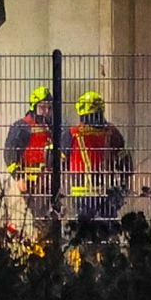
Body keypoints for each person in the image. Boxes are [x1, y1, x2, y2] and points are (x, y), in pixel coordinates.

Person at [62, 91, 132, 235]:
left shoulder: (72, 134)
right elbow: (125, 163)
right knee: (106, 232)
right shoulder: (112, 133)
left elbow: (59, 162)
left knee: (85, 233)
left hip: (83, 195)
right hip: (105, 194)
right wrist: (123, 186)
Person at [0, 86, 62, 242]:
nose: (46, 112)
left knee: (44, 223)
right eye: (42, 108)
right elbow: (10, 153)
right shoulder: (22, 126)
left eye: (49, 108)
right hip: (26, 182)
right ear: (34, 107)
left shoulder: (51, 128)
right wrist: (18, 177)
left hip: (45, 184)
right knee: (22, 220)